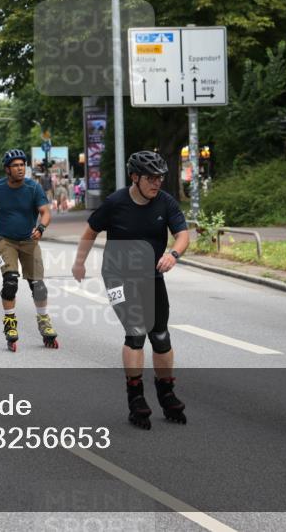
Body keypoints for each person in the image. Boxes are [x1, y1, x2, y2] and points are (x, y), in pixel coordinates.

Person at [71, 151, 190, 429]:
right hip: (117, 277)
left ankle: (166, 392)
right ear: (135, 178)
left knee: (160, 336)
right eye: (150, 178)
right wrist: (79, 263)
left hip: (151, 275)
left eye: (160, 178)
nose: (156, 183)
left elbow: (183, 234)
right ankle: (135, 396)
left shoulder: (165, 202)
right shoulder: (115, 203)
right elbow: (90, 231)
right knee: (136, 332)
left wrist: (173, 254)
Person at [0, 149, 58, 351]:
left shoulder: (33, 187)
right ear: (7, 169)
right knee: (10, 282)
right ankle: (10, 322)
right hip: (5, 241)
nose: (20, 168)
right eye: (15, 165)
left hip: (29, 241)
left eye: (22, 165)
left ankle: (44, 321)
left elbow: (45, 212)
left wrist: (41, 228)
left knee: (38, 285)